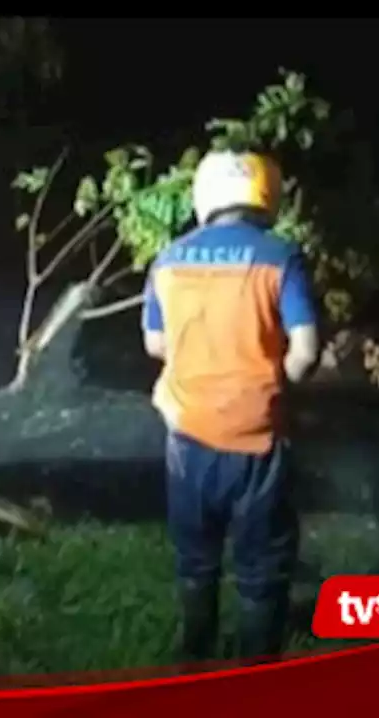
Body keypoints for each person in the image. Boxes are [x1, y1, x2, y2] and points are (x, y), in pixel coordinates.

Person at [140, 148, 320, 664]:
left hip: (187, 434)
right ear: (269, 196)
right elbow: (305, 351)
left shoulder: (168, 259)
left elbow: (156, 345)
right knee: (262, 566)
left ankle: (193, 658)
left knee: (196, 559)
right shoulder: (281, 257)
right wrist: (272, 384)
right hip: (257, 439)